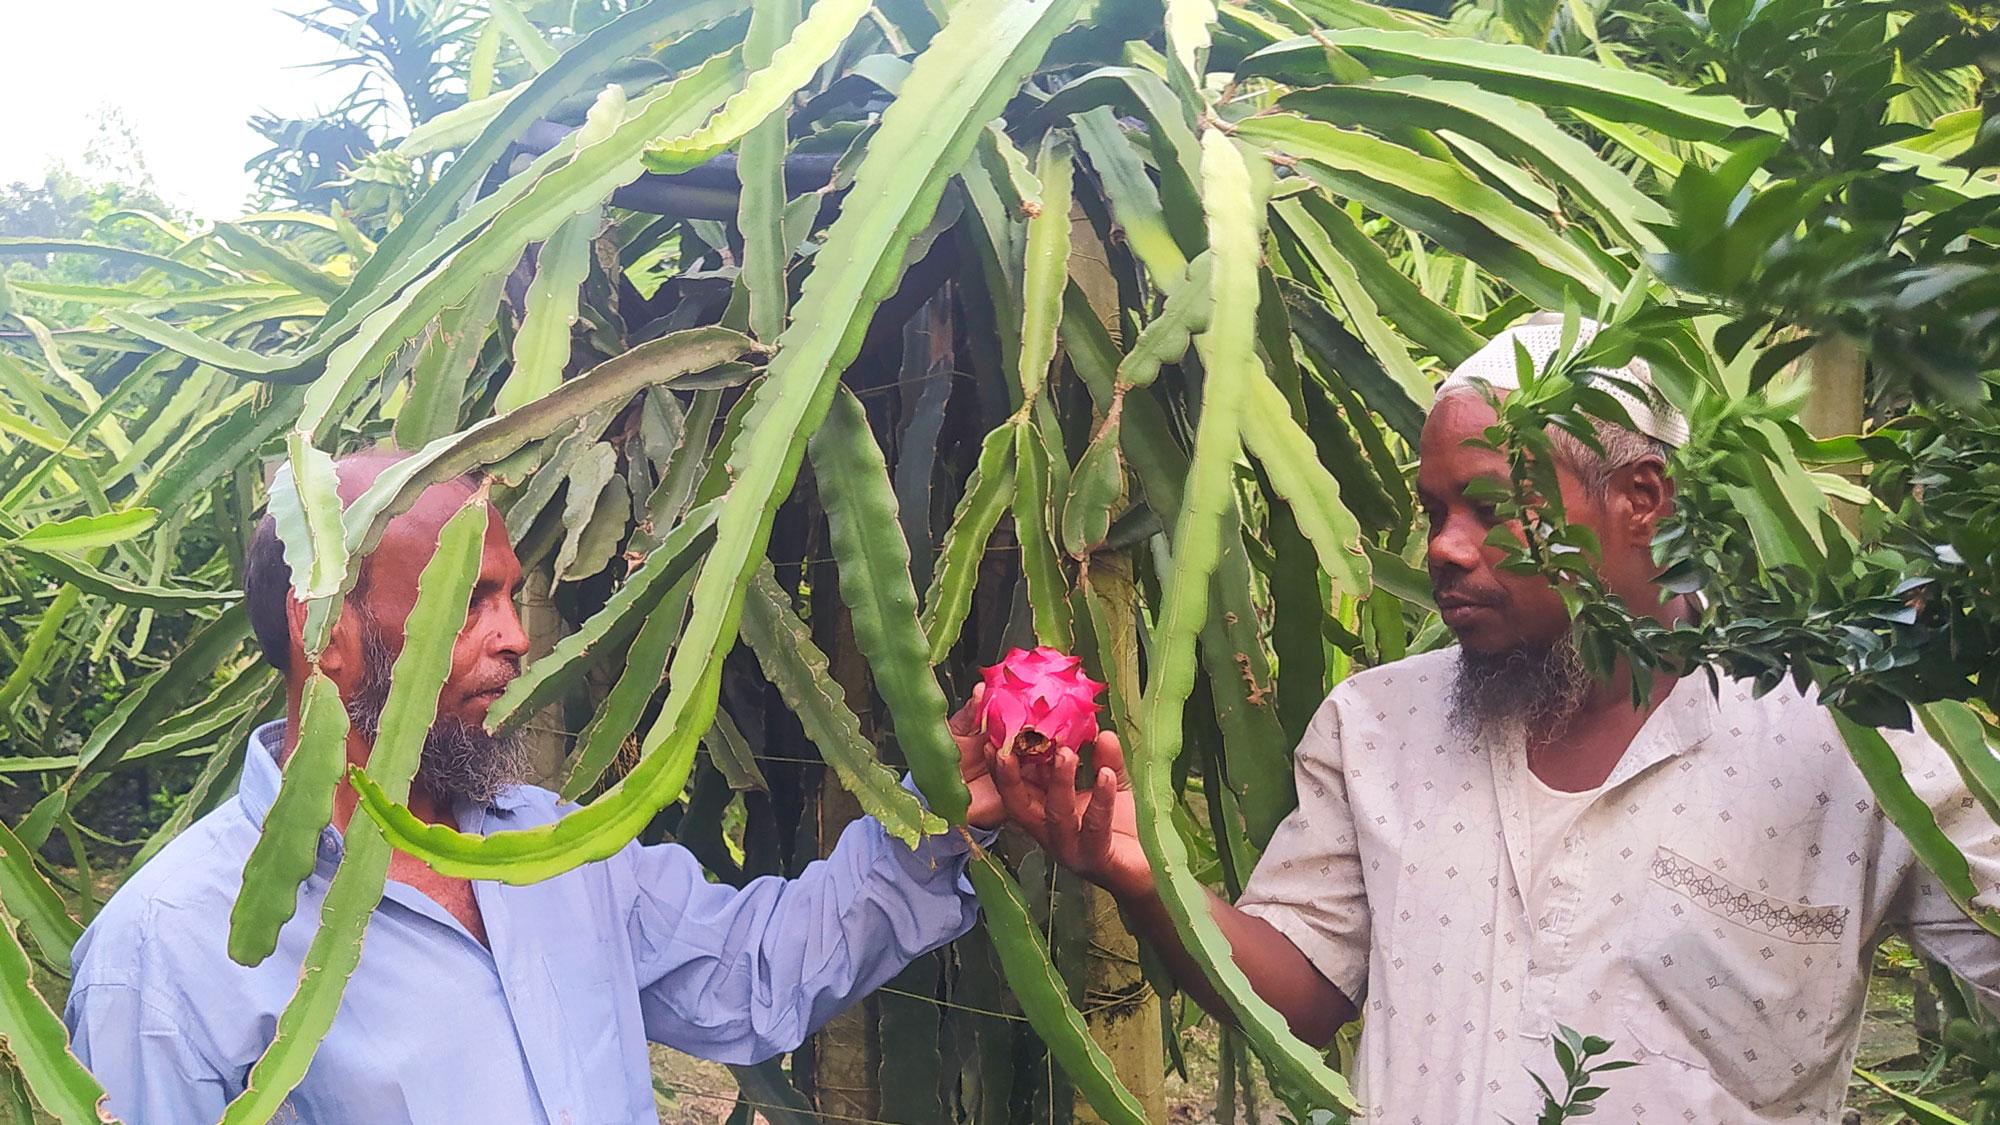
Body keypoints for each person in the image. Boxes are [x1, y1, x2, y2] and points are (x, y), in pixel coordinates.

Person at [989, 318, 2000, 1123]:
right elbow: (1300, 990)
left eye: (1485, 507)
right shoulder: (1372, 729)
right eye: (1432, 512)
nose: (1442, 549)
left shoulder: (1847, 741)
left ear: (1638, 498)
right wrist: (1139, 866)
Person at [65, 451, 1004, 1124]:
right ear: (328, 636)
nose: (516, 637)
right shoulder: (164, 953)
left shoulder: (550, 846)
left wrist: (936, 826)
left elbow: (749, 974)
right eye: (469, 600)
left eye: (511, 597)